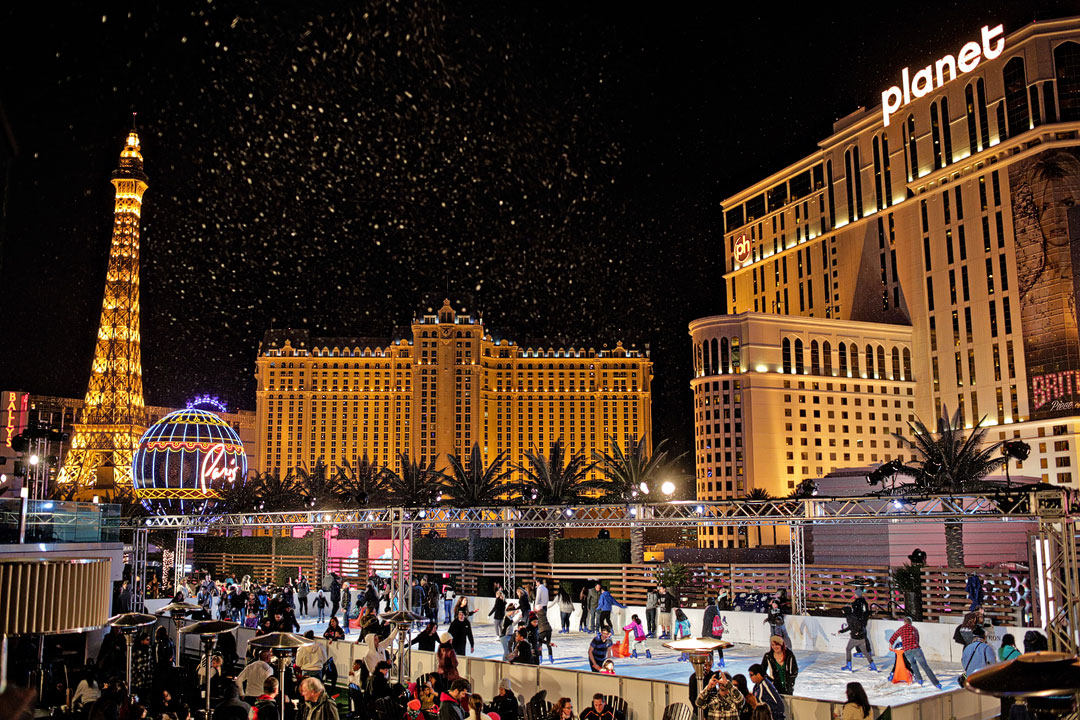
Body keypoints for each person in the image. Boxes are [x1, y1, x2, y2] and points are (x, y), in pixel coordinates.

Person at [888, 616, 941, 688]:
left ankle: (919, 680)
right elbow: (917, 639)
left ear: (904, 622)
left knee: (913, 664)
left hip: (907, 651)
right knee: (925, 666)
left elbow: (893, 637)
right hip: (916, 649)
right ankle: (936, 683)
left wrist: (890, 645)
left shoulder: (901, 629)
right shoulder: (914, 629)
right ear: (911, 623)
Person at [839, 604, 877, 672]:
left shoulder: (850, 617)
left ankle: (849, 665)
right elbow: (851, 626)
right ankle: (873, 665)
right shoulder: (852, 616)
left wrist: (857, 632)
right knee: (865, 652)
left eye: (843, 611)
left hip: (856, 638)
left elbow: (858, 625)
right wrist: (842, 631)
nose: (842, 612)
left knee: (848, 649)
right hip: (862, 638)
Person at [702, 596, 726, 666]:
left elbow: (706, 622)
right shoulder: (716, 609)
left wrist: (703, 633)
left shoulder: (708, 610)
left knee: (711, 648)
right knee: (719, 647)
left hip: (710, 632)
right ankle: (722, 661)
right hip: (717, 632)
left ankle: (711, 663)